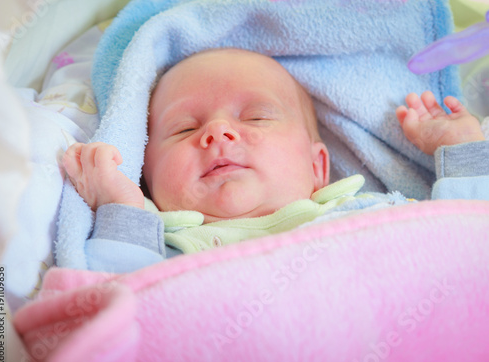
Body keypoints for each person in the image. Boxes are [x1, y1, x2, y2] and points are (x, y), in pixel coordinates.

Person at [63, 48, 488, 272]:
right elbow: (108, 315)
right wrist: (120, 210)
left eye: (256, 117)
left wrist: (463, 149)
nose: (218, 132)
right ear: (147, 176)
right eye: (185, 129)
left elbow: (468, 244)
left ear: (318, 167)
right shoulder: (162, 253)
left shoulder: (372, 213)